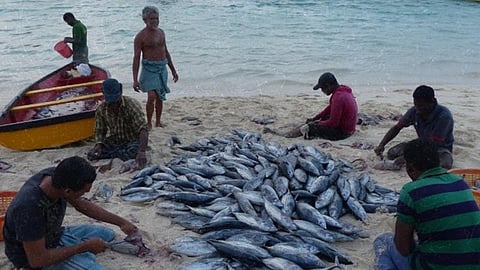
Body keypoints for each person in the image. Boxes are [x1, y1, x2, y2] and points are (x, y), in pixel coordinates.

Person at [3, 156, 139, 269]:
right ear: (68, 192)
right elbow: (38, 260)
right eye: (84, 191)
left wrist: (121, 222)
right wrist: (83, 247)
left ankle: (72, 248)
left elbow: (82, 205)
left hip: (52, 234)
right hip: (31, 256)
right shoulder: (29, 208)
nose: (86, 194)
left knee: (107, 234)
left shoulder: (57, 177)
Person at [373, 138, 480, 269]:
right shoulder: (459, 182)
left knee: (383, 241)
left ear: (410, 168)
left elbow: (403, 248)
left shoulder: (411, 191)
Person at [374, 85, 454, 170]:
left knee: (444, 165)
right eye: (416, 105)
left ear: (432, 101)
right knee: (392, 153)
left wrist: (408, 157)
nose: (418, 109)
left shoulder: (444, 116)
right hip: (420, 145)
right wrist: (382, 144)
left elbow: (432, 144)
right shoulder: (415, 111)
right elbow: (397, 128)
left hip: (438, 149)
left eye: (421, 106)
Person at [263, 72, 358, 140]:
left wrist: (315, 123)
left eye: (322, 88)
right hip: (349, 128)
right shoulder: (343, 90)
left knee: (309, 127)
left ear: (328, 86)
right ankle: (297, 129)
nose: (322, 91)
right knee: (318, 120)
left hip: (343, 133)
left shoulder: (338, 97)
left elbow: (334, 123)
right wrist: (315, 118)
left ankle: (286, 135)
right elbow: (329, 109)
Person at [132, 6, 178, 129]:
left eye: (156, 18)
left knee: (159, 96)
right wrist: (135, 79)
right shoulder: (140, 36)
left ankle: (158, 121)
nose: (155, 21)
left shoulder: (161, 32)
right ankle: (148, 122)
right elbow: (136, 58)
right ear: (144, 19)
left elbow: (166, 52)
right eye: (151, 18)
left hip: (161, 67)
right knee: (151, 96)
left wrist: (173, 70)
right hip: (149, 69)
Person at [87, 78, 149, 168]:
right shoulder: (101, 109)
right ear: (103, 94)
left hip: (132, 140)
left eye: (116, 100)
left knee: (133, 151)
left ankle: (117, 154)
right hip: (115, 140)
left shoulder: (132, 105)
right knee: (91, 155)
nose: (114, 104)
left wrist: (142, 151)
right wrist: (99, 145)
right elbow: (100, 130)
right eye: (110, 101)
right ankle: (118, 153)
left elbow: (143, 129)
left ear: (121, 91)